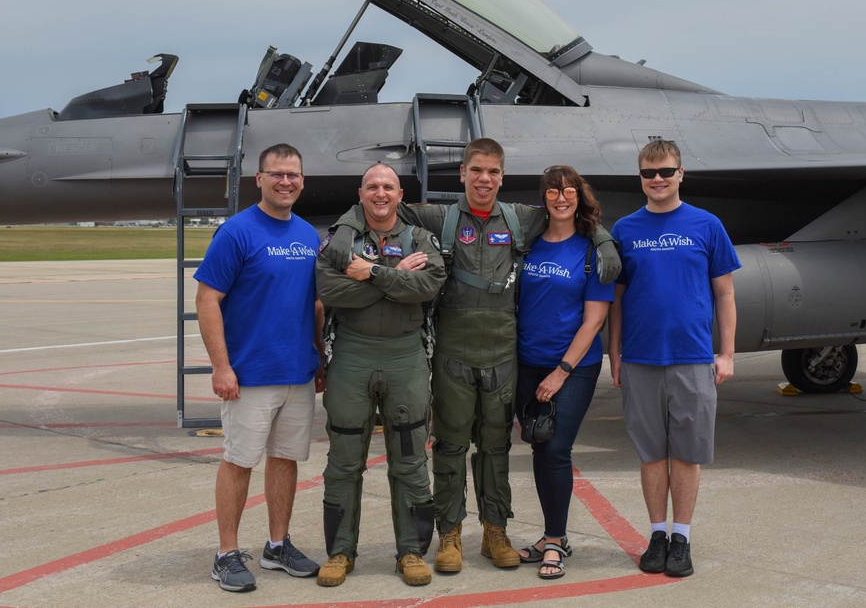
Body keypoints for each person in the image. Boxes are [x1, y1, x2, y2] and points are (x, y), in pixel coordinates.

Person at [325, 138, 621, 574]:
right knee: (449, 446)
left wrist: (603, 239)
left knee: (496, 447)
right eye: (477, 170)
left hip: (503, 352)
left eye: (493, 172)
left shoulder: (521, 219)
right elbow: (379, 208)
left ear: (502, 176)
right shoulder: (440, 218)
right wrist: (347, 231)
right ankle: (450, 534)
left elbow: (570, 212)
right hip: (453, 352)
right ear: (463, 173)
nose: (485, 179)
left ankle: (494, 530)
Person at [194, 143, 324, 593]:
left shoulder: (309, 235)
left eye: (293, 175)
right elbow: (207, 299)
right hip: (248, 375)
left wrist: (319, 358)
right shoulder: (236, 231)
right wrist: (221, 367)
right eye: (277, 174)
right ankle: (226, 554)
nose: (285, 182)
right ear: (260, 179)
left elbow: (315, 305)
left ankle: (277, 544)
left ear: (302, 181)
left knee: (285, 461)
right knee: (238, 462)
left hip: (297, 373)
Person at [608, 139, 740, 578]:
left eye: (666, 171)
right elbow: (617, 298)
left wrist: (727, 352)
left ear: (681, 173)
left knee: (686, 454)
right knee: (651, 454)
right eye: (649, 173)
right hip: (642, 358)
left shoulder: (707, 225)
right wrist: (615, 353)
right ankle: (658, 534)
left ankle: (681, 537)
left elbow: (725, 292)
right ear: (640, 178)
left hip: (693, 357)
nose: (658, 180)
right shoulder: (625, 229)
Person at [314, 164, 447, 587]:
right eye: (372, 186)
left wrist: (370, 272)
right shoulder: (340, 239)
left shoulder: (421, 239)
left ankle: (410, 551)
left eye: (388, 186)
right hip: (352, 356)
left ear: (400, 194)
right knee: (343, 462)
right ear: (361, 192)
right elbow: (330, 291)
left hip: (406, 356)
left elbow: (430, 285)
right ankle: (339, 552)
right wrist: (396, 277)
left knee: (409, 459)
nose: (380, 192)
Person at [515, 165, 613, 580]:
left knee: (555, 449)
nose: (560, 198)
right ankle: (550, 536)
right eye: (553, 191)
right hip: (525, 362)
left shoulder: (593, 250)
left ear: (579, 196)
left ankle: (555, 539)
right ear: (544, 198)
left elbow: (593, 322)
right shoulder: (529, 244)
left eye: (569, 191)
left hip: (572, 367)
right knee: (538, 445)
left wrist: (560, 372)